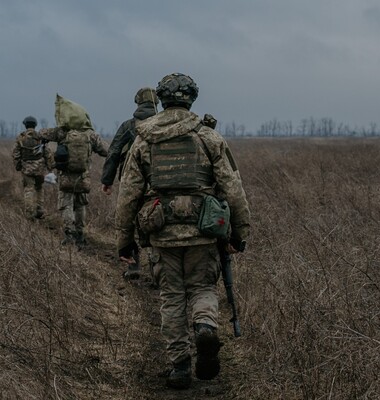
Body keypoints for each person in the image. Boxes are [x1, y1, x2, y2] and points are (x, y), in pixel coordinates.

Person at [115, 73, 250, 389]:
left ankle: (179, 368)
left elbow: (128, 195)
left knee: (172, 297)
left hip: (161, 232)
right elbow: (233, 188)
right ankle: (204, 326)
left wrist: (125, 241)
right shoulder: (208, 137)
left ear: (162, 100)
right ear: (192, 99)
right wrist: (238, 233)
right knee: (203, 288)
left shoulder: (144, 139)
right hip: (204, 230)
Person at [101, 87, 159, 279]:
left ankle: (133, 265)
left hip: (131, 181)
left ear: (137, 102)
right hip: (158, 182)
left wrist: (107, 181)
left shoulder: (129, 126)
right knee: (155, 219)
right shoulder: (164, 123)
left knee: (131, 220)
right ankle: (157, 269)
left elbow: (114, 152)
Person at [40, 123, 108, 247]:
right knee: (81, 205)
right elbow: (105, 150)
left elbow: (42, 133)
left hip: (65, 177)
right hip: (83, 177)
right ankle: (80, 235)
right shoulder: (90, 134)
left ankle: (69, 235)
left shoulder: (61, 132)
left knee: (66, 205)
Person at [12, 116, 52, 220]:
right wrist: (50, 166)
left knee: (28, 189)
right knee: (39, 188)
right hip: (40, 168)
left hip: (27, 169)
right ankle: (39, 210)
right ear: (35, 125)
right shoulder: (40, 137)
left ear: (25, 125)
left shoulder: (21, 137)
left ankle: (30, 214)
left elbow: (15, 153)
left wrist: (18, 165)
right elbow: (47, 152)